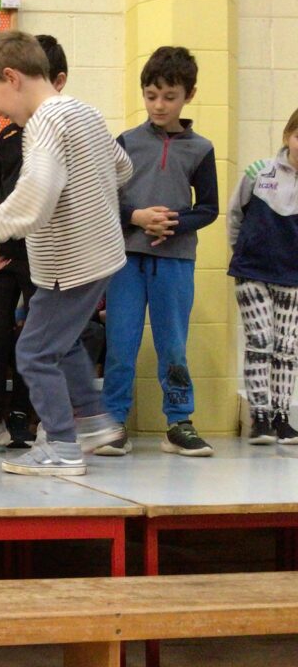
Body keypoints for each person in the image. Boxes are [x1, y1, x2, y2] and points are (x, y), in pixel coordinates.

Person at [0, 31, 132, 476]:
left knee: (34, 352)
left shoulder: (43, 122)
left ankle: (62, 446)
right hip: (99, 255)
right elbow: (123, 167)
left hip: (71, 261)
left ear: (12, 77)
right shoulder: (84, 112)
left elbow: (36, 195)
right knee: (63, 342)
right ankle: (94, 421)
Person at [98, 46, 219, 457]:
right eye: (151, 96)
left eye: (169, 97)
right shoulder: (126, 142)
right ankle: (114, 421)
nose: (159, 105)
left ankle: (179, 421)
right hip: (125, 260)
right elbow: (104, 198)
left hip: (176, 261)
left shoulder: (201, 149)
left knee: (173, 345)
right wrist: (137, 217)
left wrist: (173, 223)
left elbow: (208, 208)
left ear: (189, 95)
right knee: (121, 343)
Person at [0, 34, 68, 457]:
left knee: (36, 339)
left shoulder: (55, 134)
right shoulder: (8, 137)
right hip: (0, 254)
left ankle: (29, 416)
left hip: (40, 254)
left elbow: (37, 197)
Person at [227, 108, 298, 446]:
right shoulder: (259, 172)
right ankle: (260, 417)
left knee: (288, 345)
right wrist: (242, 252)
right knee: (260, 339)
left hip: (292, 275)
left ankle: (282, 417)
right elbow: (235, 215)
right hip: (253, 271)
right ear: (287, 137)